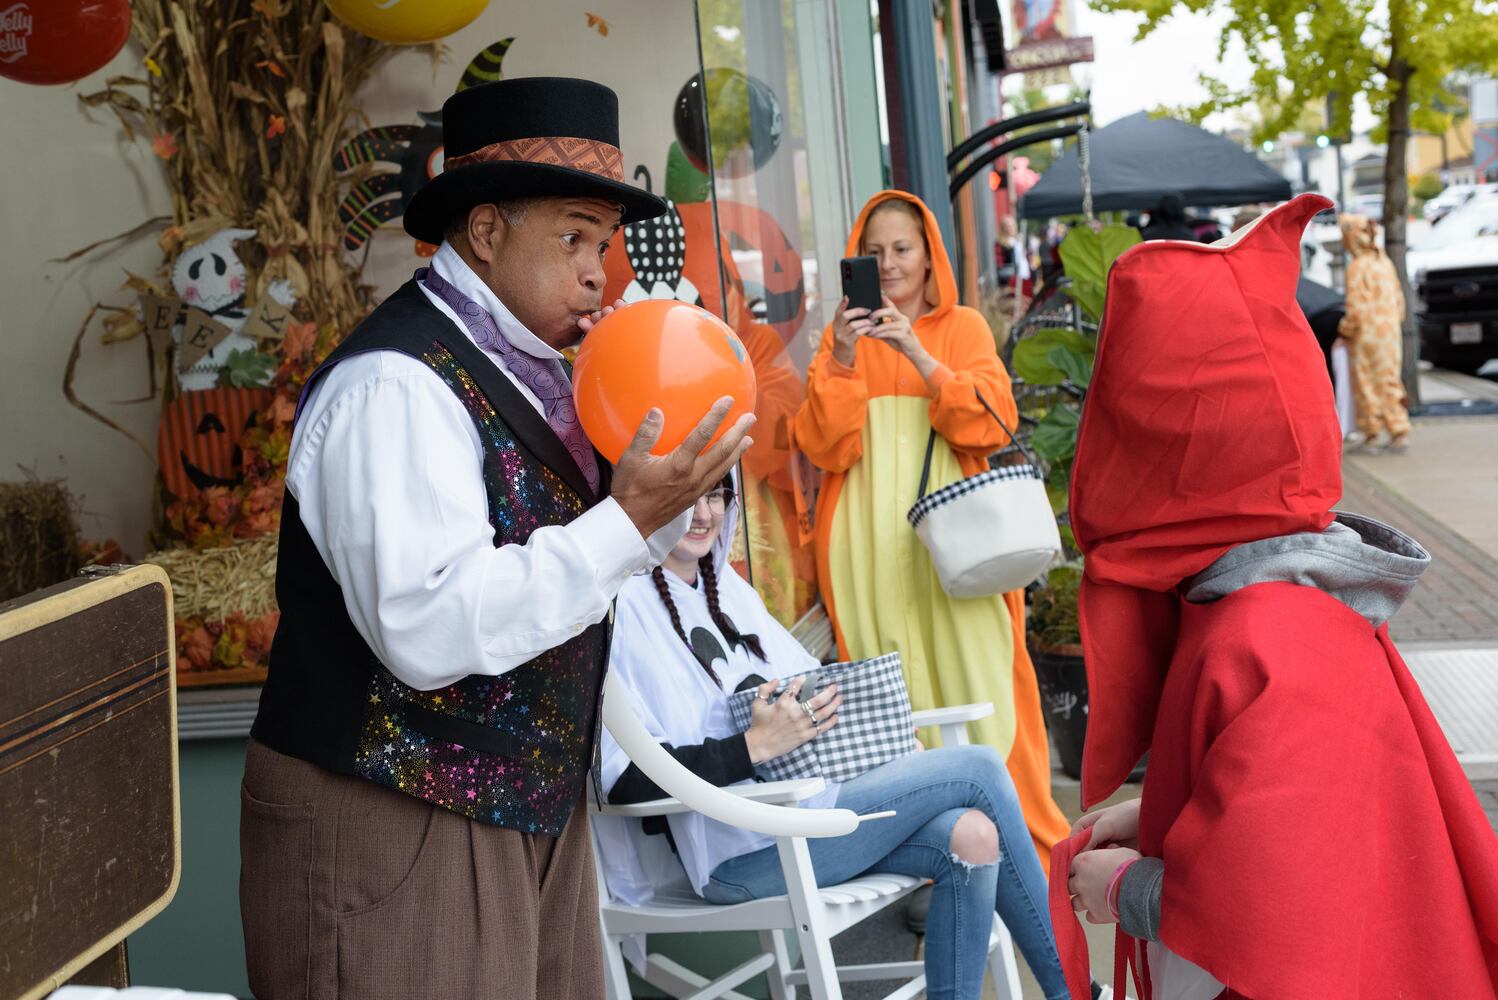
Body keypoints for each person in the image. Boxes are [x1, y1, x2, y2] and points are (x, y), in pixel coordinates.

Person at [239, 78, 754, 1000]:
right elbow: (428, 629)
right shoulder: (396, 383)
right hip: (390, 817)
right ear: (485, 233)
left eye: (605, 243)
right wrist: (625, 522)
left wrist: (662, 497)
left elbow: (584, 562)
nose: (602, 273)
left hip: (529, 809)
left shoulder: (545, 375)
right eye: (572, 238)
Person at [1056, 196, 1498, 998]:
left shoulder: (1260, 633)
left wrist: (1127, 889)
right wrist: (1160, 816)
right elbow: (1273, 820)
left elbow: (1273, 900)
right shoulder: (1288, 601)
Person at [596, 478, 1073, 1000]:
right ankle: (1071, 990)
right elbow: (623, 782)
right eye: (685, 496)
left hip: (804, 822)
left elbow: (813, 691)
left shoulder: (728, 591)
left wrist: (888, 740)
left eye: (715, 496)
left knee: (974, 835)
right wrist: (752, 747)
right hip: (739, 855)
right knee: (978, 767)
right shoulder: (620, 610)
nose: (702, 514)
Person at [791, 190, 1069, 860]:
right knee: (896, 698)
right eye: (874, 252)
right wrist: (846, 359)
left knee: (985, 677)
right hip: (865, 551)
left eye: (901, 250)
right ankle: (938, 850)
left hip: (958, 539)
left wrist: (918, 353)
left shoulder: (963, 326)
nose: (887, 264)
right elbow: (825, 444)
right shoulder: (840, 339)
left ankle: (1023, 843)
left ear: (927, 258)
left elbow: (987, 418)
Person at [1338, 213, 1411, 453]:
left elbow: (1356, 308)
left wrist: (1345, 331)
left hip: (1367, 335)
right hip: (1389, 333)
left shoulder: (1357, 267)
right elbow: (1399, 299)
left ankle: (1371, 432)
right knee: (1390, 380)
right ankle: (1398, 428)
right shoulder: (1383, 261)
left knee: (1367, 383)